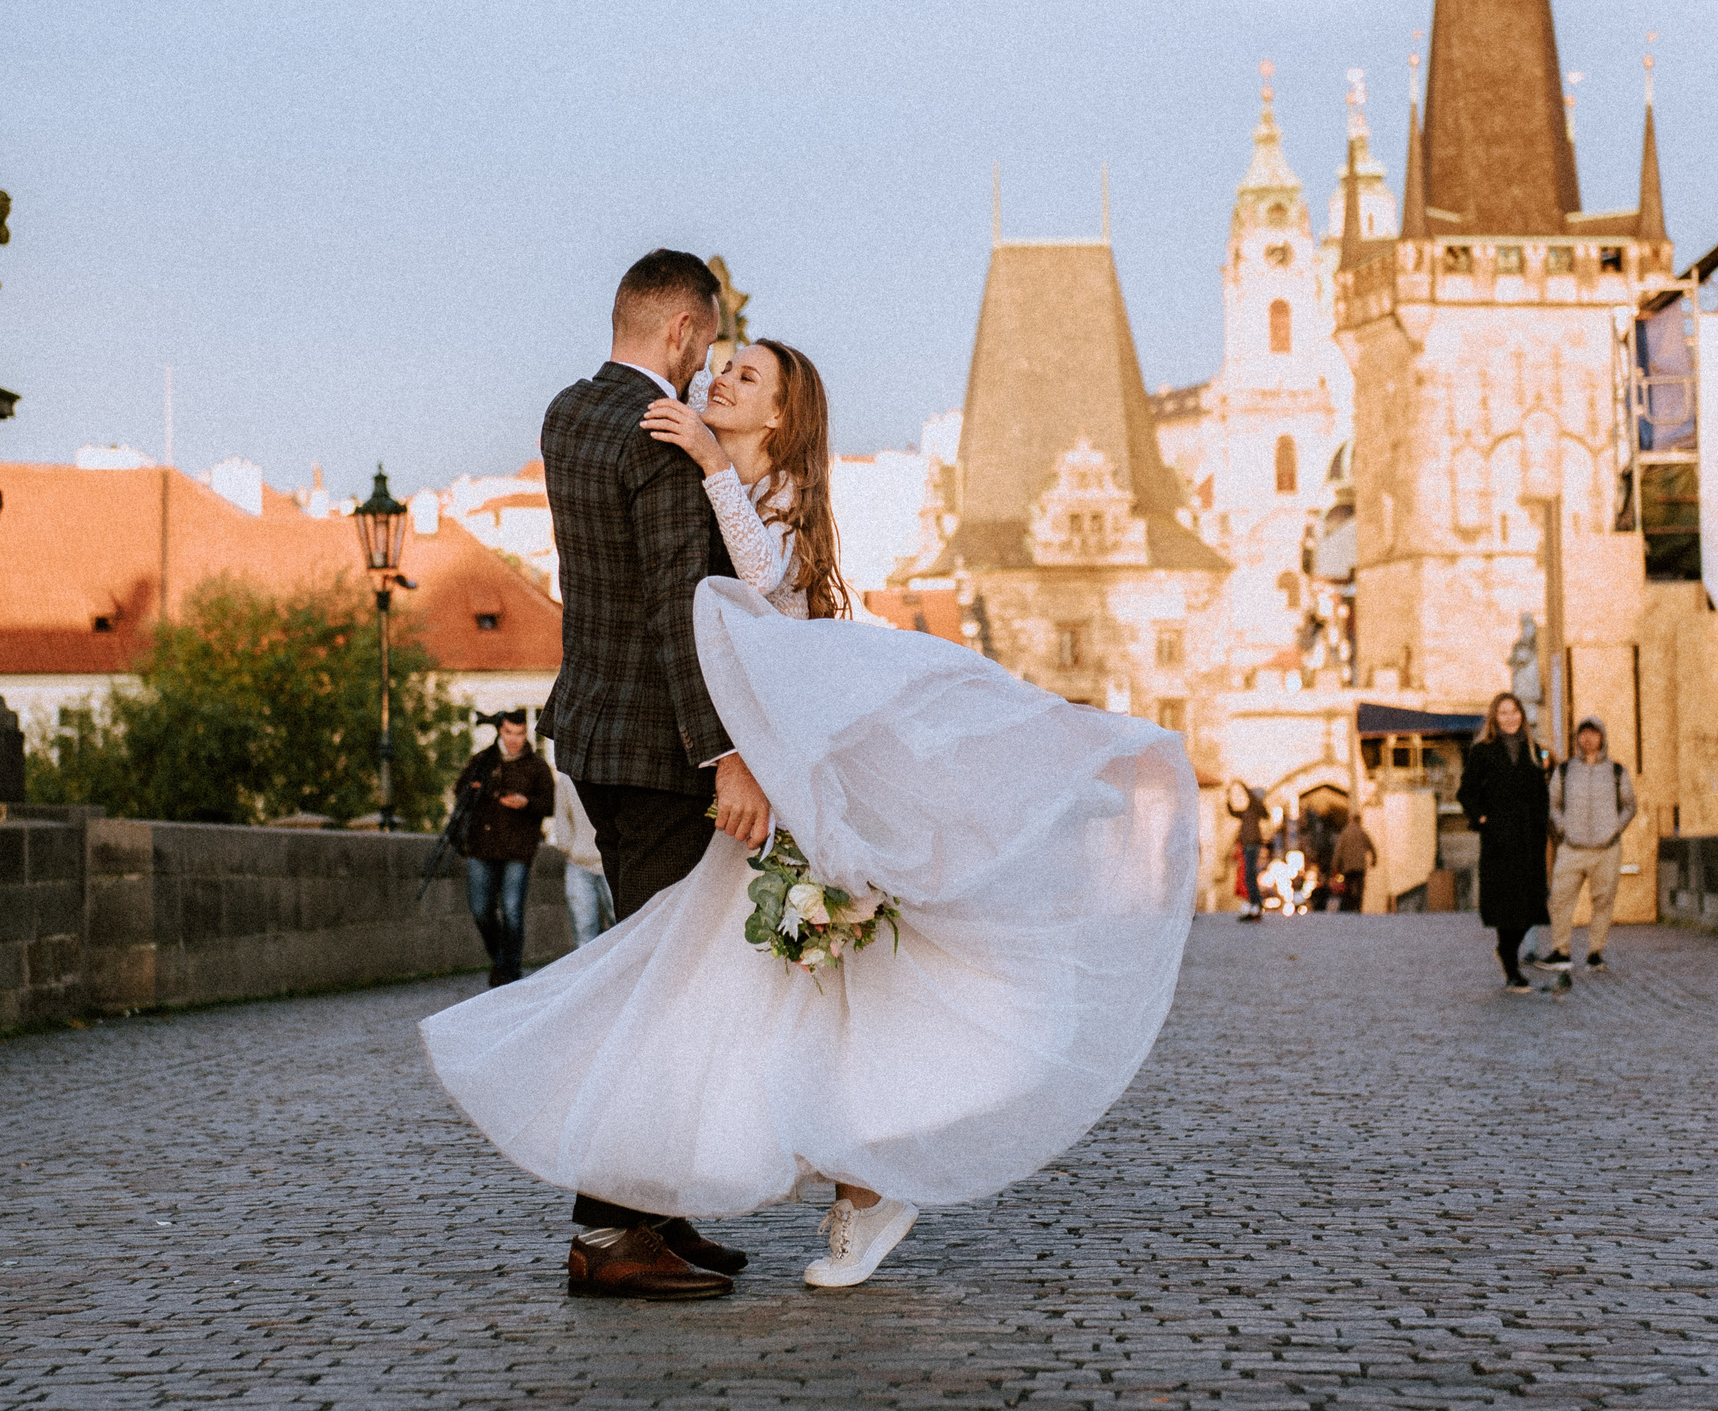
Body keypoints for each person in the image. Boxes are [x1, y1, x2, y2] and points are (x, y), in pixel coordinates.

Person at [422, 276, 1198, 1300]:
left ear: (782, 415)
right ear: (685, 330)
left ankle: (713, 1200)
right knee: (735, 975)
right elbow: (674, 609)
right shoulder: (675, 450)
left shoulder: (688, 459)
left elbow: (736, 588)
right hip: (708, 758)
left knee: (734, 975)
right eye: (720, 361)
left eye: (744, 374)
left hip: (735, 761)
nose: (719, 376)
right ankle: (724, 1196)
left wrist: (709, 466)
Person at [1457, 693, 1553, 994]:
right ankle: (1511, 968)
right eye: (1503, 713)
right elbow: (1466, 792)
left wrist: (1542, 827)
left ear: (1521, 715)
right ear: (1494, 718)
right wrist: (1483, 819)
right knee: (1505, 905)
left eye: (1514, 712)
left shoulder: (1535, 751)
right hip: (1499, 840)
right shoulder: (1483, 752)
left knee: (1532, 903)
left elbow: (1542, 794)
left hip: (1529, 839)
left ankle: (1506, 950)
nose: (1509, 718)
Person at [454, 712, 557, 987]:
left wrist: (526, 803)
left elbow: (549, 804)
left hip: (517, 848)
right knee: (480, 909)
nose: (515, 740)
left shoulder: (536, 766)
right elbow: (460, 790)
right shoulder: (483, 760)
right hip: (482, 846)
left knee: (512, 910)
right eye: (509, 733)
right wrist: (479, 789)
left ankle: (508, 970)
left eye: (520, 734)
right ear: (500, 731)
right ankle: (502, 958)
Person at [1541, 717, 1636, 973]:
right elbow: (1552, 804)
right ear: (1577, 739)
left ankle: (1595, 953)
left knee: (1603, 901)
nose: (1588, 739)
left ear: (1602, 737)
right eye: (1583, 734)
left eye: (1593, 733)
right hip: (1572, 848)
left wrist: (1615, 828)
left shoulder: (1617, 771)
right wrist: (1563, 828)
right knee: (1560, 898)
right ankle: (1561, 951)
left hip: (1607, 849)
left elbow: (1629, 805)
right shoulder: (1565, 771)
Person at [549, 769, 613, 950]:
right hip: (578, 864)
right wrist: (569, 847)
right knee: (584, 930)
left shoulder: (613, 772)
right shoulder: (568, 777)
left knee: (623, 925)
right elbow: (561, 815)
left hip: (613, 864)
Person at [1229, 782, 1268, 921]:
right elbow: (1233, 812)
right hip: (1247, 845)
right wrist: (1228, 796)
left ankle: (1256, 906)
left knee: (1250, 875)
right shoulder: (1247, 812)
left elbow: (1252, 798)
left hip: (1252, 845)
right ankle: (1253, 906)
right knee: (1248, 876)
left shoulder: (1257, 808)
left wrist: (1242, 785)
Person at [1330, 810, 1375, 913]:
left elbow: (1339, 850)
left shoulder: (1345, 833)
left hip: (1348, 866)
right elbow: (1371, 846)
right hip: (1360, 865)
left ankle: (1350, 906)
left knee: (1349, 886)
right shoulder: (1362, 832)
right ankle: (1358, 906)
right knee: (1360, 886)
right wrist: (1374, 860)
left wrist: (1335, 864)